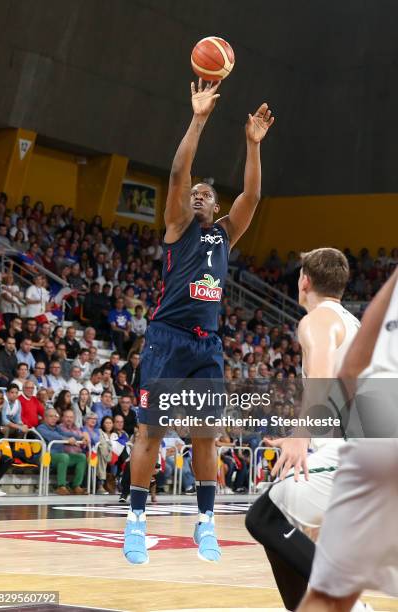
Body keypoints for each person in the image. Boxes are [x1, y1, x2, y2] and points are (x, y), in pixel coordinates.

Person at [124, 78, 274, 564]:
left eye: (206, 194)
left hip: (206, 344)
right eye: (195, 192)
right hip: (167, 339)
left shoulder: (225, 236)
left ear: (216, 206)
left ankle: (205, 521)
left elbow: (251, 195)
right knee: (149, 432)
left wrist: (252, 146)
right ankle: (136, 521)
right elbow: (177, 172)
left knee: (206, 434)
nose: (198, 195)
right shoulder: (176, 226)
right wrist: (200, 118)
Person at [246, 248, 363, 612]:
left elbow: (324, 375)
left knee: (264, 517)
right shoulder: (350, 322)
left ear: (304, 281)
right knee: (282, 531)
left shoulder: (318, 320)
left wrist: (301, 435)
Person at [298, 268, 398, 612]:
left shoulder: (319, 320)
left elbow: (342, 372)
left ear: (305, 281)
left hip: (365, 438)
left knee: (272, 516)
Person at [37, 407, 88, 495]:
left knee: (81, 457)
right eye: (51, 416)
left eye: (55, 416)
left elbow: (67, 434)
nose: (54, 418)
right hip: (46, 456)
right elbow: (52, 436)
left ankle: (76, 486)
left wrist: (82, 437)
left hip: (60, 456)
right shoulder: (41, 428)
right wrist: (67, 439)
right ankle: (61, 486)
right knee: (64, 456)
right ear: (45, 418)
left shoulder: (57, 428)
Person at [96, 415, 114, 494]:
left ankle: (114, 484)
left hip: (113, 456)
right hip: (103, 456)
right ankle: (100, 485)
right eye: (106, 423)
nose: (108, 425)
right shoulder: (100, 432)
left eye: (110, 423)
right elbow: (102, 447)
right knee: (101, 457)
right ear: (103, 424)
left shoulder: (115, 434)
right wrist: (108, 456)